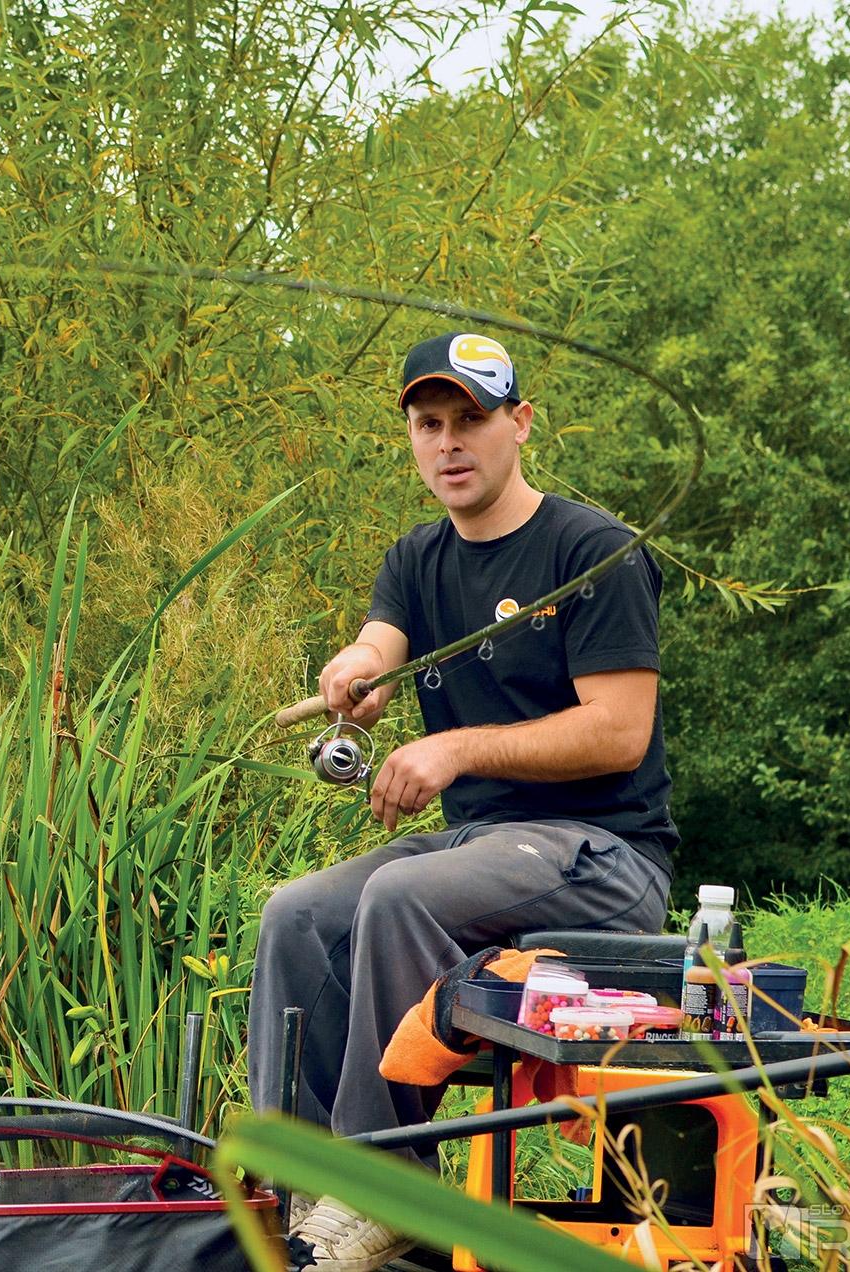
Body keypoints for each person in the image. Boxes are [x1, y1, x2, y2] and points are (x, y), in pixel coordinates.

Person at [250, 332, 677, 1271]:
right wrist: (357, 669)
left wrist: (453, 747)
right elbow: (380, 642)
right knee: (296, 915)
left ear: (520, 424)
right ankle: (294, 1195)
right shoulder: (418, 558)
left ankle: (382, 1187)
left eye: (470, 420)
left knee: (400, 896)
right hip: (483, 849)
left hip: (603, 857)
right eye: (428, 424)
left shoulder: (593, 550)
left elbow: (620, 731)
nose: (448, 443)